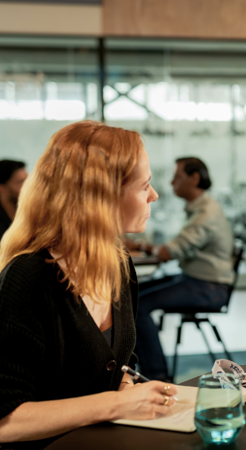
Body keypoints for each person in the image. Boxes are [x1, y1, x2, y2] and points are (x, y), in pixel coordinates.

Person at [0, 121, 179, 448]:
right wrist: (118, 403)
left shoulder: (118, 262)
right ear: (104, 196)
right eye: (145, 186)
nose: (153, 195)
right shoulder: (27, 277)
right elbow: (5, 423)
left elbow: (118, 364)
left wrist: (130, 388)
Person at [126, 157, 234, 381]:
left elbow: (170, 252)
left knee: (138, 305)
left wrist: (138, 245)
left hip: (208, 286)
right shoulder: (200, 209)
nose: (172, 182)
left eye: (177, 177)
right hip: (197, 279)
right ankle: (144, 368)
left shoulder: (206, 214)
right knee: (131, 294)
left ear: (194, 178)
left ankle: (157, 376)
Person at [0, 159, 27, 239]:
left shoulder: (29, 210)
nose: (28, 187)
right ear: (2, 188)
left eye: (28, 181)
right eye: (21, 182)